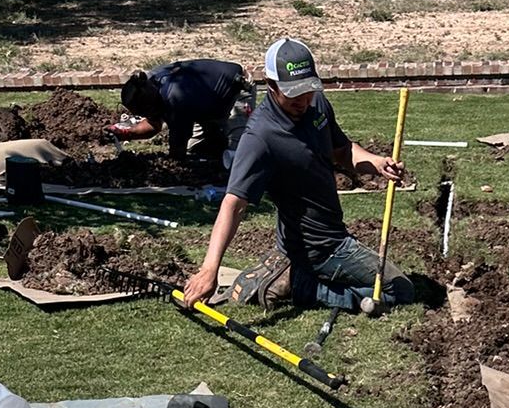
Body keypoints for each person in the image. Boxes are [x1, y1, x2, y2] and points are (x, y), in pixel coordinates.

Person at [181, 37, 412, 315]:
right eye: (293, 94)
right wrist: (209, 268)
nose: (303, 100)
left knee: (390, 286)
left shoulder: (317, 105)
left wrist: (376, 163)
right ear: (271, 85)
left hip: (332, 234)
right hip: (319, 247)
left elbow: (342, 151)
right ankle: (302, 285)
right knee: (401, 290)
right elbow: (234, 204)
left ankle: (296, 275)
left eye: (308, 90)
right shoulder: (260, 138)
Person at [119, 59, 254, 160]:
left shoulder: (175, 97)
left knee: (236, 155)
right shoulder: (150, 85)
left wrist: (171, 166)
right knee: (196, 149)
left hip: (236, 88)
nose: (144, 115)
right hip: (206, 100)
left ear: (148, 103)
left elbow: (178, 144)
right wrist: (127, 133)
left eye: (143, 112)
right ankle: (218, 139)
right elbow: (154, 124)